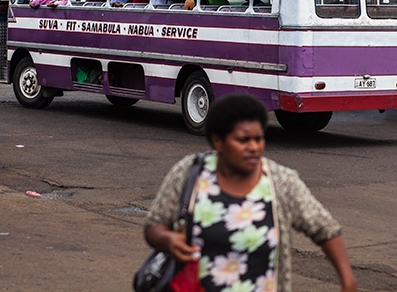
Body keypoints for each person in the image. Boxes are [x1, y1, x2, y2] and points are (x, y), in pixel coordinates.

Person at [145, 95, 357, 292]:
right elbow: (154, 225)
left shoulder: (281, 181)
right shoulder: (190, 173)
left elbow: (325, 229)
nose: (254, 147)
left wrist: (347, 279)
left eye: (259, 138)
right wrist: (167, 239)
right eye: (243, 140)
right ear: (218, 141)